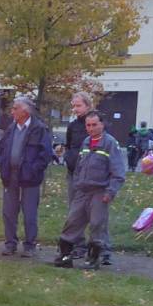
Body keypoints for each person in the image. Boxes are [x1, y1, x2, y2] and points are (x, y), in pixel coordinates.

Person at [55, 111, 125, 270]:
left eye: (94, 125)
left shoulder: (110, 143)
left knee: (96, 225)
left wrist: (110, 192)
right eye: (88, 125)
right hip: (82, 191)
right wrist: (78, 183)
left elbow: (118, 172)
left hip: (100, 191)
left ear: (102, 124)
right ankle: (65, 255)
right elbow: (79, 166)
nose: (91, 128)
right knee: (72, 221)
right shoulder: (86, 142)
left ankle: (94, 258)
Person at [0, 97, 53, 258]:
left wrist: (33, 171)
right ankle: (10, 244)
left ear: (25, 111)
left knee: (29, 213)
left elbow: (45, 154)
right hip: (11, 176)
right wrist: (3, 166)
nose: (12, 111)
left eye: (15, 108)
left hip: (30, 178)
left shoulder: (39, 129)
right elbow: (2, 148)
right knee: (8, 212)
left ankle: (29, 245)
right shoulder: (11, 128)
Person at [63, 91, 93, 258]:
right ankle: (78, 245)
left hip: (91, 176)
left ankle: (97, 247)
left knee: (93, 212)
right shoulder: (72, 126)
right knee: (74, 211)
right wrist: (68, 157)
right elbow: (69, 146)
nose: (75, 109)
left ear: (88, 106)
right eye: (73, 106)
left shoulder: (95, 124)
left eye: (79, 105)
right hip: (73, 173)